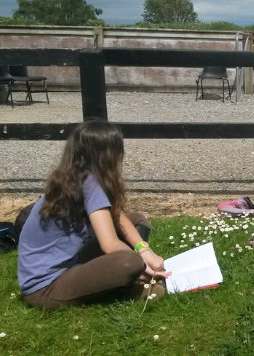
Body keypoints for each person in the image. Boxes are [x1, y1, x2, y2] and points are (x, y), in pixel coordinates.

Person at [17, 119, 170, 310]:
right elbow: (110, 245)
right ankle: (129, 287)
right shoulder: (91, 183)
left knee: (136, 220)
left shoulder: (76, 176)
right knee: (129, 263)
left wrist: (145, 251)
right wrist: (142, 265)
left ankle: (122, 279)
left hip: (69, 262)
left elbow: (118, 217)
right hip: (46, 288)